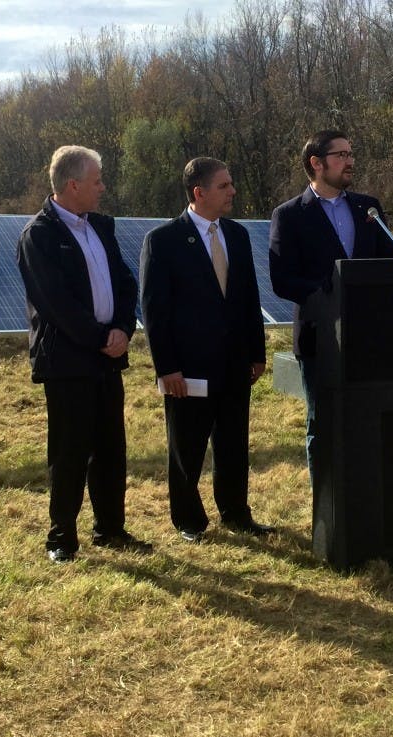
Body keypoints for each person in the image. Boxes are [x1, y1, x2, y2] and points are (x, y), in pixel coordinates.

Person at [17, 145, 152, 562]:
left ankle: (110, 528)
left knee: (111, 447)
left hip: (107, 356)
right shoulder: (38, 236)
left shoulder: (101, 228)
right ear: (73, 185)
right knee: (70, 450)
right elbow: (55, 303)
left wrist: (123, 329)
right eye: (96, 181)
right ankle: (61, 537)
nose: (102, 188)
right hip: (68, 361)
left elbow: (126, 283)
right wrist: (99, 337)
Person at [140, 157, 273, 542]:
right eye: (224, 186)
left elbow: (248, 298)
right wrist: (167, 368)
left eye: (231, 184)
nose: (233, 191)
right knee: (187, 446)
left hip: (234, 364)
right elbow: (155, 311)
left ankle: (236, 512)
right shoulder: (163, 241)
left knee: (233, 444)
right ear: (199, 193)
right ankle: (188, 519)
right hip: (188, 368)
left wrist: (257, 352)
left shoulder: (238, 234)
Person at [268, 129, 393, 481]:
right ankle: (327, 510)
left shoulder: (367, 207)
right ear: (316, 163)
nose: (350, 161)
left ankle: (366, 497)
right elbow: (283, 279)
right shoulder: (290, 214)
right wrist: (330, 299)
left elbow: (388, 265)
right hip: (319, 338)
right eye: (340, 155)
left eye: (351, 153)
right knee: (322, 423)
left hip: (369, 337)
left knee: (367, 419)